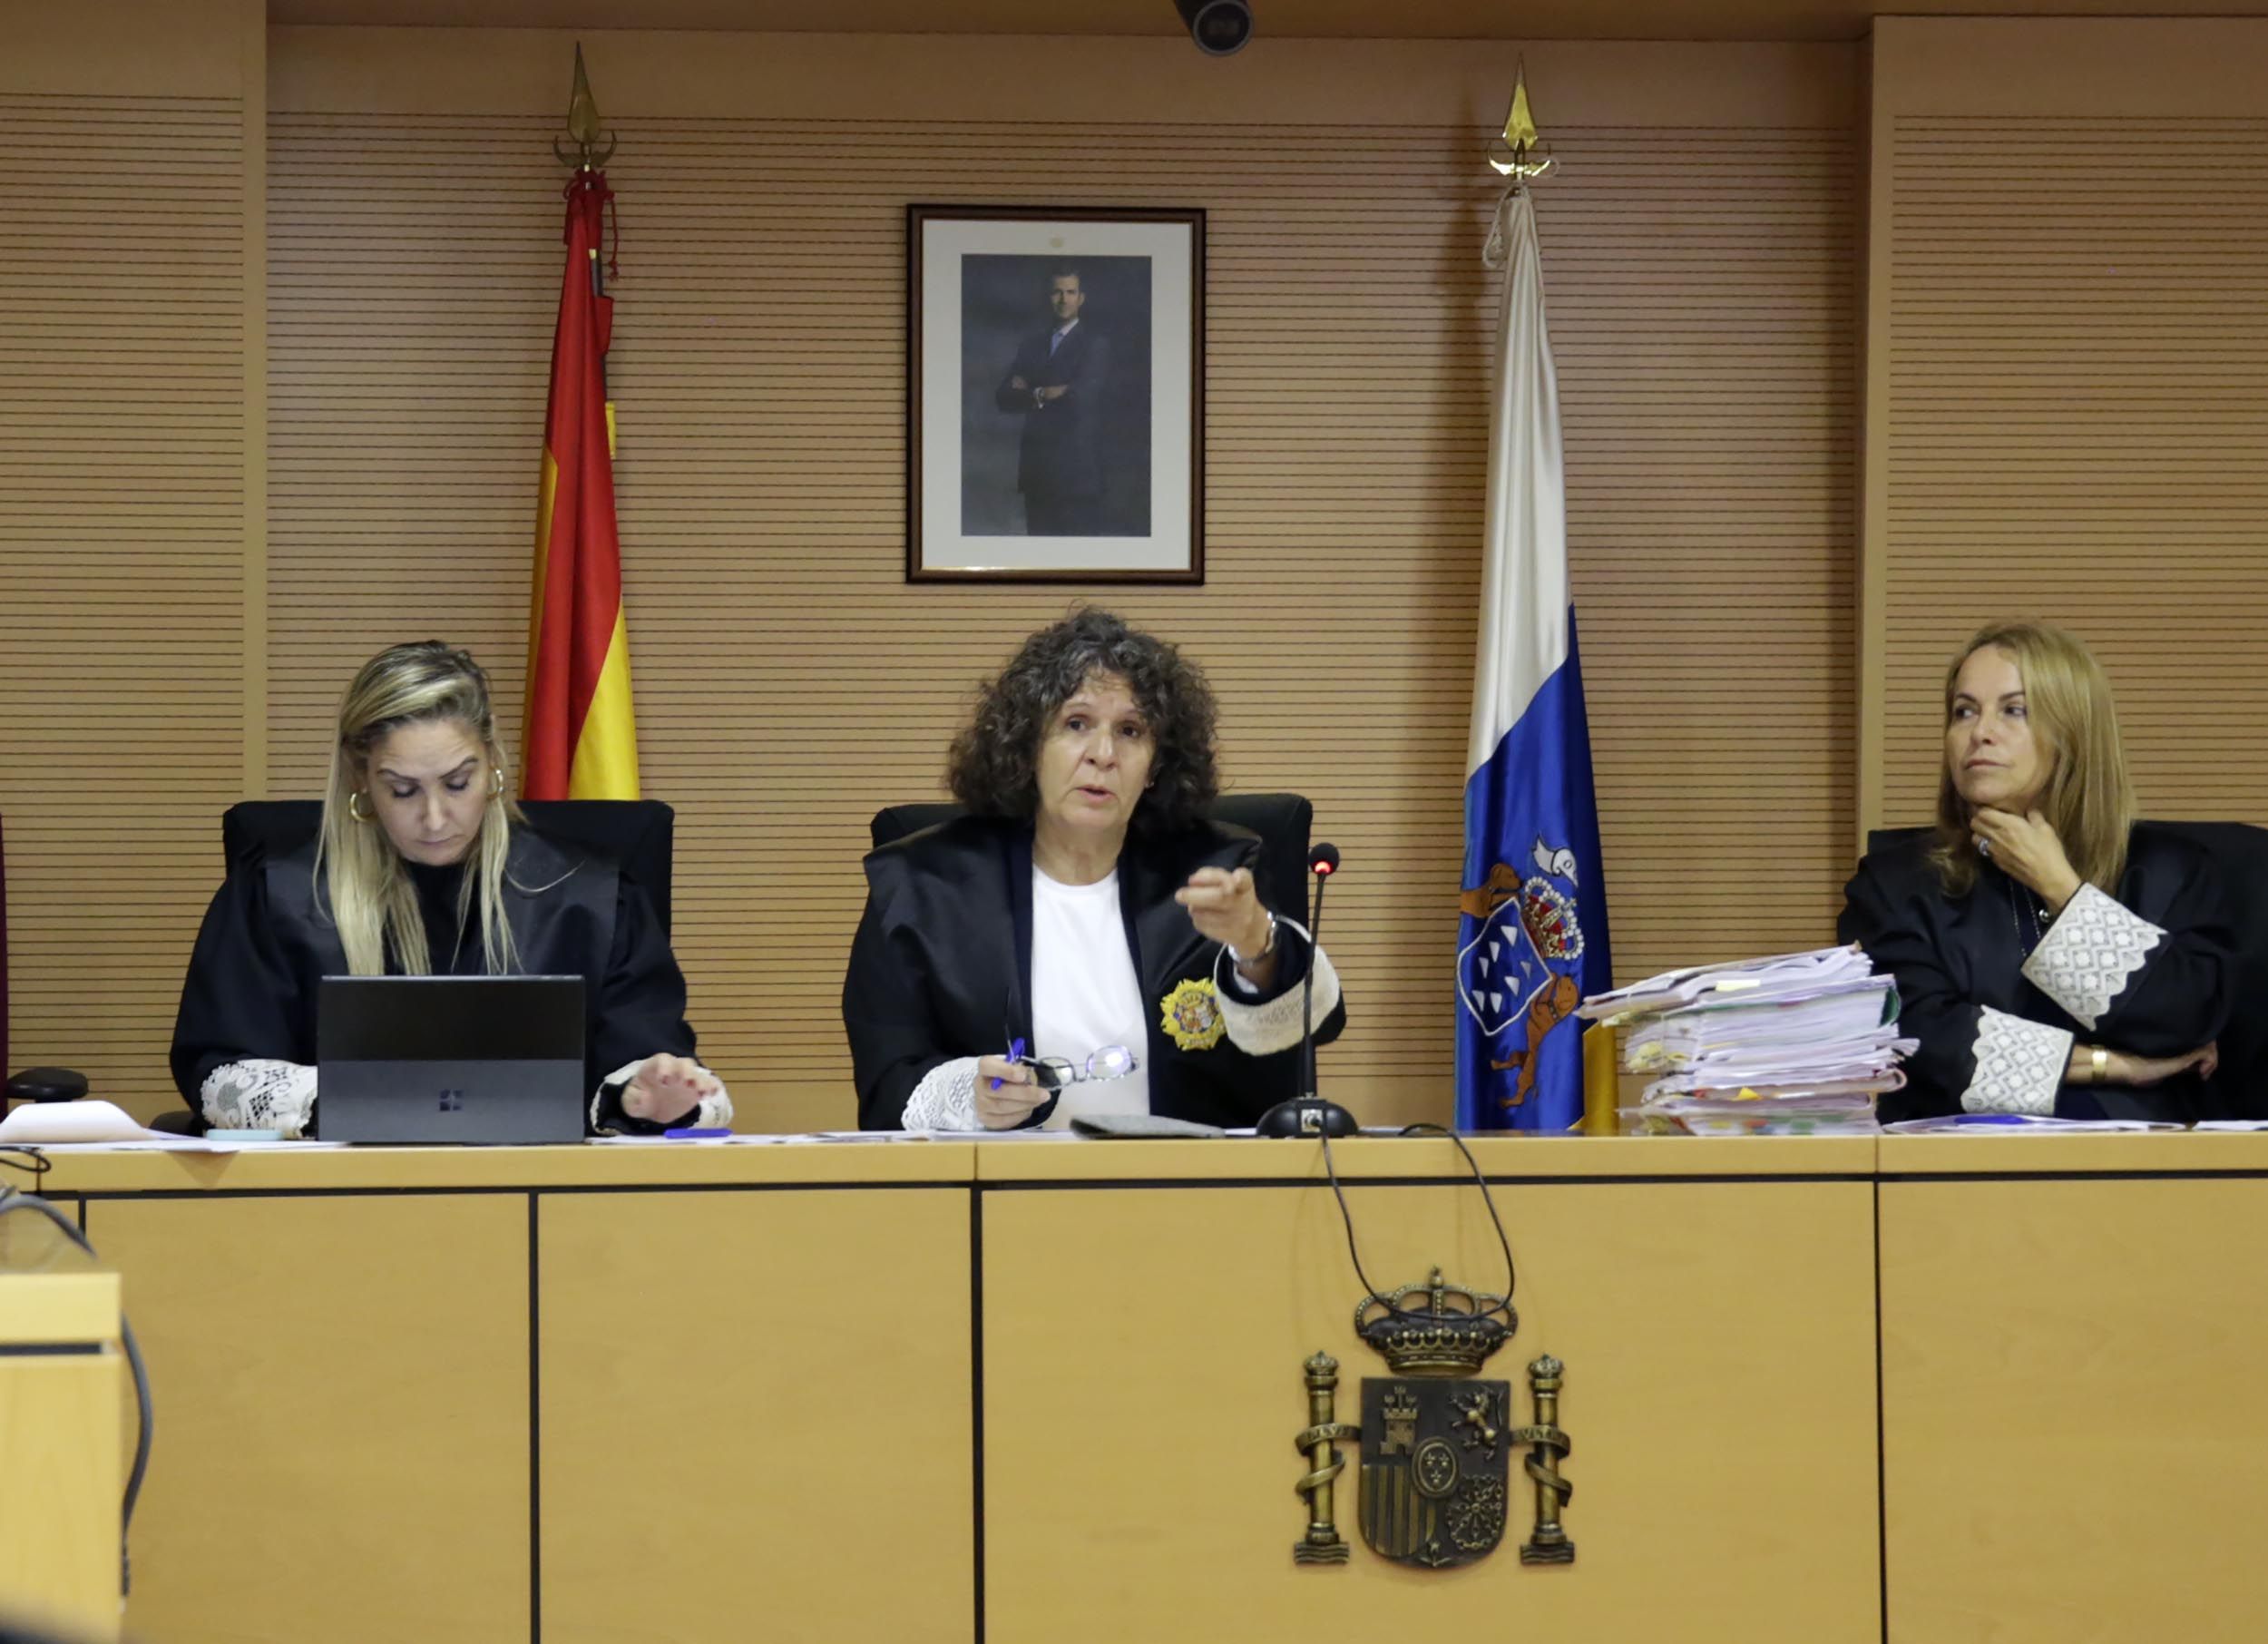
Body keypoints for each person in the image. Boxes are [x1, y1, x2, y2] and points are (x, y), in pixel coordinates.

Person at [170, 641, 731, 1138]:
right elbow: (221, 1075)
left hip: (549, 1204)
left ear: (494, 765)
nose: (436, 818)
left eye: (458, 783)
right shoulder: (278, 896)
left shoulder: (591, 898)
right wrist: (361, 1102)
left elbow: (646, 1061)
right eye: (403, 790)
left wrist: (650, 1097)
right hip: (328, 1207)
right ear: (361, 777)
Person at [844, 609, 1345, 1130]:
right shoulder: (923, 886)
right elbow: (886, 1082)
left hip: (1193, 1191)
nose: (1103, 754)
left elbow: (1319, 1025)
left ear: (1156, 766)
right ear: (1029, 745)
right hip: (998, 1196)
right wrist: (970, 1096)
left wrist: (1256, 944)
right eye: (1076, 723)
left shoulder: (1216, 870)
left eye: (1131, 731)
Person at [1839, 621, 2233, 1122]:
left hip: (2149, 1164)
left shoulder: (2172, 871)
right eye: (1964, 711)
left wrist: (2062, 891)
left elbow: (2187, 1019)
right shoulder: (1893, 884)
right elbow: (1920, 1037)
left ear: (2072, 733)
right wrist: (2117, 1065)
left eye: (2014, 710)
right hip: (1952, 1168)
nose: (1980, 732)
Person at [993, 267, 1112, 535]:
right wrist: (1045, 392)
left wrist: (1030, 390)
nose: (1063, 299)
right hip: (1037, 472)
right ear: (1048, 297)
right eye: (1057, 292)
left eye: (1070, 292)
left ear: (1081, 298)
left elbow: (1081, 398)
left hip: (1076, 476)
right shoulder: (1032, 345)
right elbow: (1004, 397)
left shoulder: (1094, 345)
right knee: (1039, 557)